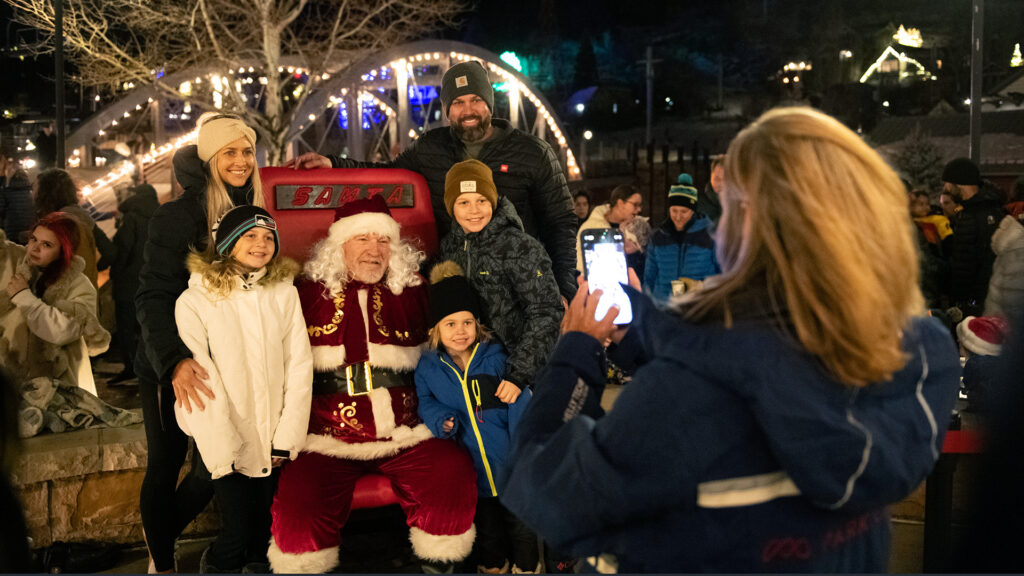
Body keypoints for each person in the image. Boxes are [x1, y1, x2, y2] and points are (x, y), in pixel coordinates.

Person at [501, 107, 961, 573]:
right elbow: (751, 350)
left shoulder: (685, 398)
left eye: (728, 203)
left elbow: (546, 489)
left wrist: (575, 353)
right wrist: (646, 325)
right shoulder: (916, 354)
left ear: (749, 224)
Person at [268, 195, 477, 574]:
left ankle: (439, 567)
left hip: (407, 432)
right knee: (299, 514)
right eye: (362, 239)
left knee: (451, 474)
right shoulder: (301, 293)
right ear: (339, 246)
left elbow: (458, 341)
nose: (374, 250)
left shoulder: (416, 292)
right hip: (326, 437)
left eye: (383, 241)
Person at [286, 61, 578, 302]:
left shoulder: (533, 152)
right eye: (459, 103)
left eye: (476, 100)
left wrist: (564, 290)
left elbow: (560, 222)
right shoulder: (430, 148)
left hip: (518, 288)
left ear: (490, 103)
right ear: (448, 109)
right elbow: (388, 175)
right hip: (454, 289)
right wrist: (334, 164)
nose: (468, 111)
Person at [135, 112, 265, 573]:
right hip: (169, 363)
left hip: (225, 362)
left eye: (247, 151)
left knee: (212, 468)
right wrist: (172, 361)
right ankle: (162, 563)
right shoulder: (177, 216)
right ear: (209, 158)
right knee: (166, 462)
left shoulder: (253, 211)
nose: (241, 161)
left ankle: (162, 537)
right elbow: (150, 295)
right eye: (229, 152)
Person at [174, 206, 312, 573]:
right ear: (228, 243)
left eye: (269, 237)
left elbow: (298, 365)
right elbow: (200, 379)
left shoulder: (284, 295)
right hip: (225, 441)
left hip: (271, 440)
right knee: (235, 534)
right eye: (250, 235)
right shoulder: (195, 301)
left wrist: (287, 437)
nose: (261, 243)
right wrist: (222, 451)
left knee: (264, 536)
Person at [415, 261, 538, 573]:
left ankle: (527, 567)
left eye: (467, 322)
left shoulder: (496, 358)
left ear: (478, 325)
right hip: (472, 469)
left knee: (522, 527)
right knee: (488, 529)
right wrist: (440, 418)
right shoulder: (429, 367)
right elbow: (425, 402)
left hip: (510, 463)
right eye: (450, 324)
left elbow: (518, 401)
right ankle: (493, 566)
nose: (460, 331)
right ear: (435, 330)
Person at [439, 159, 563, 395]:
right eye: (463, 202)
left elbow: (546, 311)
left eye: (481, 201)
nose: (474, 210)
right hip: (472, 371)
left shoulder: (519, 247)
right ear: (451, 207)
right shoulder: (448, 248)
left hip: (517, 376)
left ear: (493, 202)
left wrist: (519, 374)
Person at [3, 212, 110, 395]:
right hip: (19, 383)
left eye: (47, 245)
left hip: (63, 386)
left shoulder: (78, 284)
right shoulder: (22, 270)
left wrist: (23, 296)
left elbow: (62, 331)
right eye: (33, 239)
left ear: (63, 250)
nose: (35, 248)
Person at [106, 184, 160, 384]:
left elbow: (122, 249)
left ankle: (131, 368)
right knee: (147, 326)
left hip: (128, 282)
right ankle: (151, 368)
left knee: (127, 328)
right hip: (152, 281)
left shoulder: (131, 218)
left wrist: (115, 272)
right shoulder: (160, 216)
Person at [941, 157, 1005, 317]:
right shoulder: (987, 211)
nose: (946, 188)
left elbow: (971, 264)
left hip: (974, 307)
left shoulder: (974, 216)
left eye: (948, 183)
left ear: (959, 183)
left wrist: (968, 305)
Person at [33, 168, 115, 289]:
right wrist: (92, 270)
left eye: (36, 191)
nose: (33, 194)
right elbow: (110, 252)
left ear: (45, 195)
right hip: (86, 293)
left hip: (63, 296)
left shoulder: (56, 222)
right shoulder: (83, 217)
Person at [644, 175, 720, 303]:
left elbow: (722, 275)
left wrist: (699, 287)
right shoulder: (658, 237)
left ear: (693, 211)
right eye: (674, 211)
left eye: (684, 211)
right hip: (663, 309)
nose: (678, 217)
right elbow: (649, 278)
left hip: (698, 307)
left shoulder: (711, 235)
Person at [576, 184, 643, 273]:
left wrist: (634, 253)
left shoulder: (636, 229)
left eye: (640, 205)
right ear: (620, 203)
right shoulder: (591, 227)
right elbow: (581, 266)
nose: (639, 209)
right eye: (635, 204)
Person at [956, 315, 1007, 412]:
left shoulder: (974, 364)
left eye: (960, 344)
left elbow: (968, 385)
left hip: (979, 410)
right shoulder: (1003, 363)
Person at [0, 164, 34, 245]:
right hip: (27, 229)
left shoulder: (6, 192)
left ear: (12, 179)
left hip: (11, 229)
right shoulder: (31, 193)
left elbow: (1, 210)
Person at [698, 156, 724, 225]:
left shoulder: (742, 207)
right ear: (711, 176)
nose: (721, 184)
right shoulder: (697, 206)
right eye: (717, 179)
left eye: (726, 179)